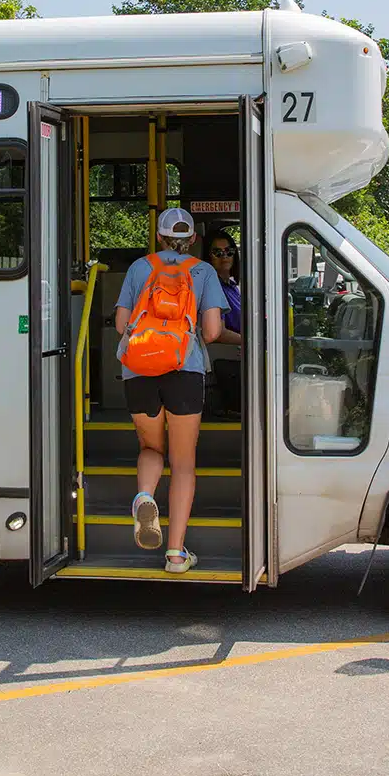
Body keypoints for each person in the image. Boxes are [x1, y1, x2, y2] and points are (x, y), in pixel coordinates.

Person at [114, 208, 225, 574]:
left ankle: (145, 496)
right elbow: (212, 331)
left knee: (150, 447)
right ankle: (176, 554)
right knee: (183, 463)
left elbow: (121, 324)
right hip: (184, 370)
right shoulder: (203, 271)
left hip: (139, 369)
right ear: (192, 239)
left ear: (159, 237)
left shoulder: (138, 268)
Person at [207, 231, 244, 415]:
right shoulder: (211, 286)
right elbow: (218, 333)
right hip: (230, 358)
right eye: (217, 252)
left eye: (229, 251)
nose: (225, 257)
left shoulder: (230, 286)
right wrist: (251, 342)